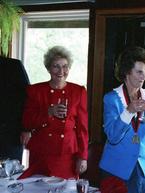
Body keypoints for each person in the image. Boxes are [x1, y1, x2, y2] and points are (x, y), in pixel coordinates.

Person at [18, 46, 88, 179]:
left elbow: (82, 128)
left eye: (65, 66)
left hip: (67, 155)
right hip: (41, 154)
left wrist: (83, 157)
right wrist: (48, 112)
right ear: (48, 68)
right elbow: (27, 121)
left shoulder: (78, 92)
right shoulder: (35, 91)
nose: (61, 71)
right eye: (56, 66)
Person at [99, 46, 145, 193]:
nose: (144, 77)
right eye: (139, 72)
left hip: (143, 171)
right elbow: (113, 136)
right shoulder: (111, 99)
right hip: (115, 170)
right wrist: (128, 111)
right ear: (127, 71)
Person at [0, 56, 29, 162]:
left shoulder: (13, 65)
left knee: (10, 174)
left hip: (10, 134)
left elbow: (28, 98)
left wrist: (26, 129)